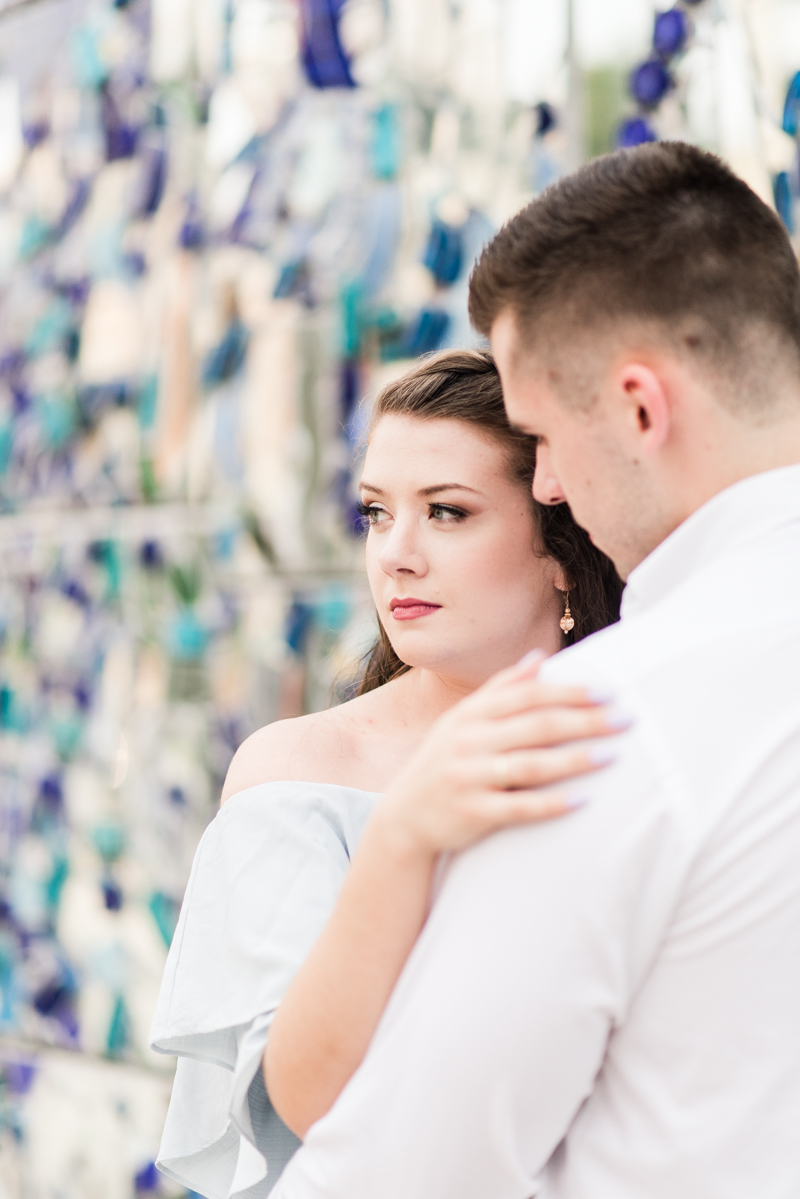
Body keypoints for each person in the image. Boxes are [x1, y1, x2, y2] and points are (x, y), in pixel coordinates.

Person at [269, 143, 800, 1199]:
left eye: (541, 437)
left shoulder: (599, 725)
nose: (549, 481)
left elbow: (399, 1168)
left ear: (641, 408)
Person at [150, 350, 625, 1198]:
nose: (395, 555)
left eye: (446, 512)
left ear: (562, 548)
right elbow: (306, 1104)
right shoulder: (302, 773)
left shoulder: (643, 744)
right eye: (376, 513)